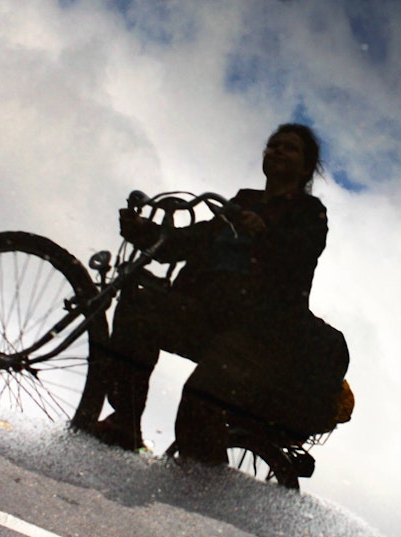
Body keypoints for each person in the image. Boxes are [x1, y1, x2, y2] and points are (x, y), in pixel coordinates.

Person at [79, 123, 348, 460]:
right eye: (274, 145)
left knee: (201, 399)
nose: (278, 150)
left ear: (305, 167)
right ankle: (124, 423)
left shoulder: (308, 213)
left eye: (290, 148)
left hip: (257, 331)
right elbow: (194, 240)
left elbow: (300, 253)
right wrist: (145, 233)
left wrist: (264, 232)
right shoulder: (243, 202)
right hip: (207, 314)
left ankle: (206, 485)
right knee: (140, 308)